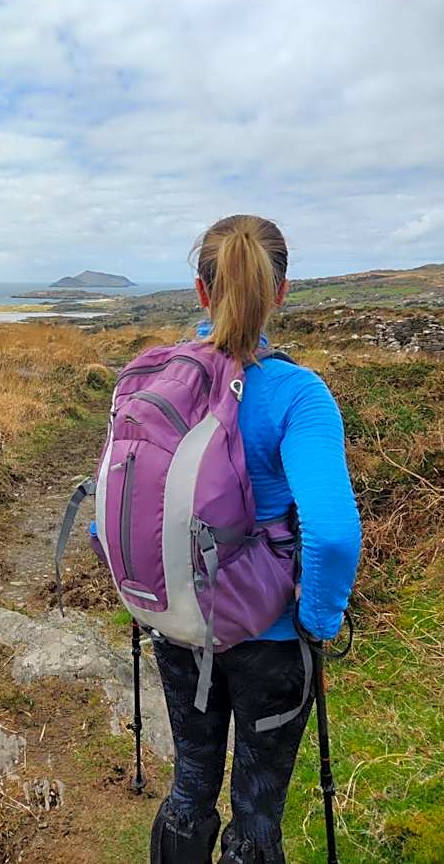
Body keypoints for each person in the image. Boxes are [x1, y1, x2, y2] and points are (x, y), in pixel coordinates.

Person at [150, 215, 361, 863]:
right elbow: (332, 536)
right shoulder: (298, 394)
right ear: (280, 291)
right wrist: (317, 621)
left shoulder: (153, 378)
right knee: (256, 812)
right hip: (268, 638)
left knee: (190, 786)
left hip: (177, 623)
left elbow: (116, 510)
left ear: (200, 291)